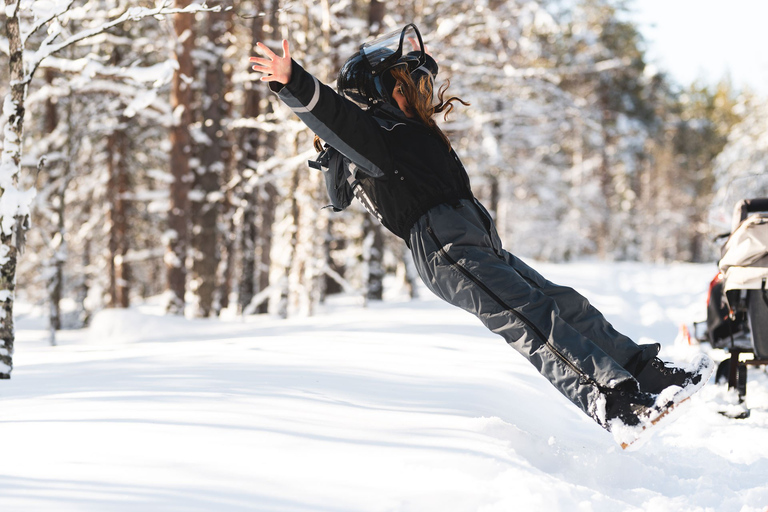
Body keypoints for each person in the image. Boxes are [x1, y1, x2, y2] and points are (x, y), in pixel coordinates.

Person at [249, 25, 712, 444]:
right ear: (379, 92)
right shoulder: (373, 136)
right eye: (408, 83)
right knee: (532, 317)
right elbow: (334, 115)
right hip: (444, 247)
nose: (421, 92)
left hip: (472, 237)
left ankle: (647, 375)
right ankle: (617, 403)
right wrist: (293, 80)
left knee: (565, 303)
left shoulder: (409, 131)